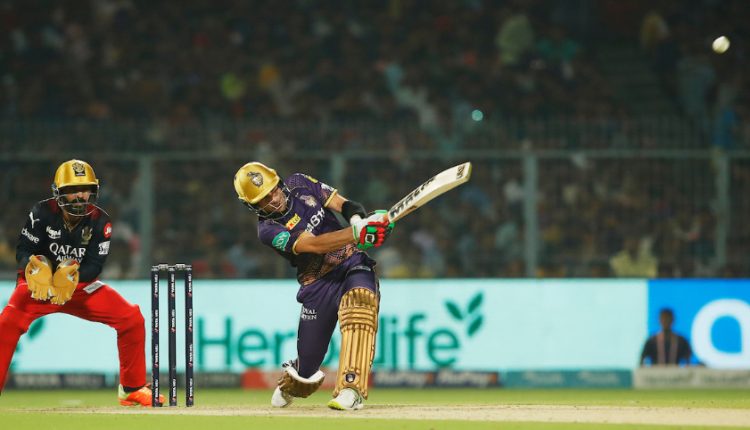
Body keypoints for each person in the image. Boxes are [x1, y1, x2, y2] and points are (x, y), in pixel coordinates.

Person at [0, 159, 163, 406]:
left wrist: (73, 277)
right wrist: (33, 266)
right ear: (58, 192)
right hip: (40, 287)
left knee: (131, 318)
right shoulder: (42, 212)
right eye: (73, 190)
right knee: (7, 324)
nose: (80, 196)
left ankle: (131, 388)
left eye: (85, 189)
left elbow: (95, 266)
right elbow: (23, 251)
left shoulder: (101, 221)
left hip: (79, 287)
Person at [233, 161, 393, 411]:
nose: (273, 200)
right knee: (307, 370)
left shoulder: (299, 183)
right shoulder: (269, 230)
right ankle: (295, 377)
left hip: (352, 262)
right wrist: (357, 232)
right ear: (252, 206)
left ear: (278, 182)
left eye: (272, 191)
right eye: (263, 200)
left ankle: (350, 389)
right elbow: (315, 245)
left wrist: (360, 221)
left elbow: (345, 204)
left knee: (360, 303)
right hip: (318, 283)